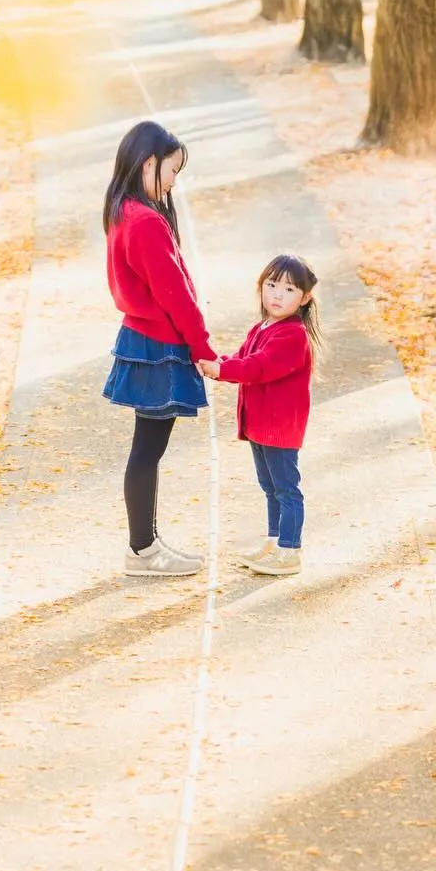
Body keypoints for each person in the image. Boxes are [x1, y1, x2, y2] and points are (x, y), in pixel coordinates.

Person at [101, 120, 217, 578]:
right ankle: (142, 550)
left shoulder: (123, 210)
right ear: (149, 163)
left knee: (146, 449)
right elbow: (175, 295)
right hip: (158, 344)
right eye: (171, 171)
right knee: (147, 451)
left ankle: (146, 544)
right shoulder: (146, 222)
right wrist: (202, 348)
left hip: (143, 337)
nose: (173, 182)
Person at [198, 254, 321, 578]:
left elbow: (257, 368)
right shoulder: (262, 327)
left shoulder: (293, 335)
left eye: (289, 289)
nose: (278, 294)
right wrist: (216, 362)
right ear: (261, 287)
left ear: (305, 298)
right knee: (270, 487)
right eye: (272, 285)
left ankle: (290, 550)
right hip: (261, 425)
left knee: (286, 488)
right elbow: (242, 359)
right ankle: (275, 541)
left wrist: (221, 369)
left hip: (279, 426)